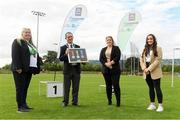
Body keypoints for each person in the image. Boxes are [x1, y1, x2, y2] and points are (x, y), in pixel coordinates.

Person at [11, 28, 41, 112]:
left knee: (25, 88)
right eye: (26, 32)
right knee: (20, 88)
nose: (28, 34)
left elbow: (34, 56)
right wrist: (18, 67)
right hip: (20, 70)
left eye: (29, 32)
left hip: (28, 70)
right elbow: (15, 55)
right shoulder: (17, 41)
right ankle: (20, 107)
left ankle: (24, 104)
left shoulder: (30, 44)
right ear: (22, 33)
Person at [140, 34, 164, 112]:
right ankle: (152, 104)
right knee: (150, 88)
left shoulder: (158, 48)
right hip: (146, 71)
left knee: (157, 88)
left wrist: (149, 69)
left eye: (151, 39)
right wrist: (144, 68)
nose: (149, 40)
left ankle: (160, 105)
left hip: (155, 71)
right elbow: (142, 60)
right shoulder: (144, 49)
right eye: (148, 39)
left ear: (154, 40)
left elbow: (158, 60)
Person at [59, 32, 81, 107]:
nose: (70, 38)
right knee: (66, 88)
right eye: (68, 37)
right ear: (66, 38)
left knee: (76, 88)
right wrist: (66, 54)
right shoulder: (63, 47)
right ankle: (65, 102)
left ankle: (75, 102)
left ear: (73, 37)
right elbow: (61, 59)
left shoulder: (77, 47)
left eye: (71, 36)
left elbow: (81, 58)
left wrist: (84, 60)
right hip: (67, 70)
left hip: (76, 70)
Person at [99, 36, 121, 107]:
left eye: (110, 40)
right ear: (106, 41)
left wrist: (110, 63)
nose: (109, 41)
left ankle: (118, 102)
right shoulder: (103, 49)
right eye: (107, 40)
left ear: (112, 41)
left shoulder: (116, 48)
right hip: (105, 70)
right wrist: (106, 64)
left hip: (115, 70)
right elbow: (101, 59)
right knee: (108, 86)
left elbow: (117, 57)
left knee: (116, 85)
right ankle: (109, 101)